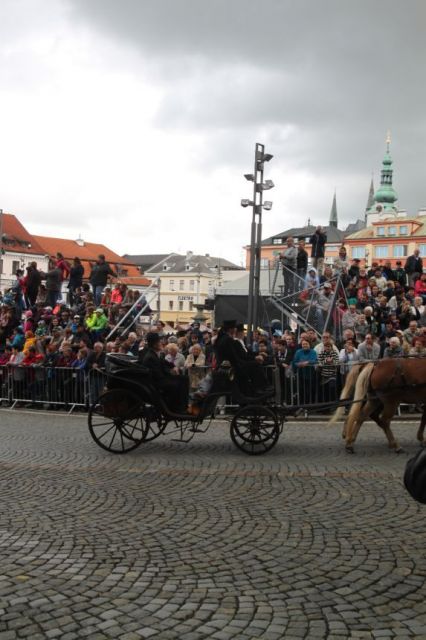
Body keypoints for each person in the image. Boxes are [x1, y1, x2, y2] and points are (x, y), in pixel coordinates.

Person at [141, 332, 189, 413]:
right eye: (159, 342)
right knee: (178, 383)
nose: (161, 343)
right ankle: (176, 408)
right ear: (154, 344)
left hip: (161, 378)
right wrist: (171, 374)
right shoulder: (150, 357)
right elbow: (158, 375)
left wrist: (173, 367)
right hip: (156, 382)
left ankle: (184, 406)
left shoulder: (154, 354)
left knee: (184, 379)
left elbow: (163, 362)